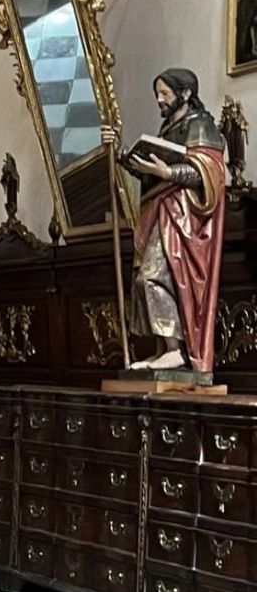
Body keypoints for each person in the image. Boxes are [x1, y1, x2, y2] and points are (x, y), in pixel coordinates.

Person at [104, 68, 228, 373]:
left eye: (165, 94)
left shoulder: (200, 125)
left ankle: (176, 350)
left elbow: (209, 173)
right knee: (143, 280)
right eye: (157, 94)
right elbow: (149, 173)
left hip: (185, 218)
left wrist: (168, 173)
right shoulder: (166, 130)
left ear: (185, 94)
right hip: (160, 211)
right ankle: (164, 349)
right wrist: (119, 152)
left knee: (153, 276)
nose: (159, 100)